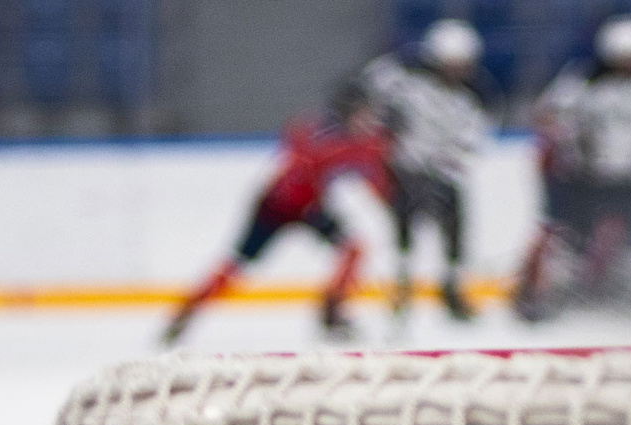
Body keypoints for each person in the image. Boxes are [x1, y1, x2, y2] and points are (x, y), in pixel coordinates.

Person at [162, 87, 390, 345]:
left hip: (311, 206)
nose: (366, 120)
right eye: (361, 114)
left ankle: (333, 310)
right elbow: (302, 152)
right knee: (237, 265)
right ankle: (188, 311)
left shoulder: (359, 141)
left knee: (353, 249)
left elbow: (373, 176)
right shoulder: (317, 132)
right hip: (276, 206)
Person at [515, 15, 631, 314]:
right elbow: (548, 116)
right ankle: (537, 295)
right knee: (563, 238)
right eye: (627, 57)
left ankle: (613, 293)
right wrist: (573, 143)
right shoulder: (583, 83)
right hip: (584, 178)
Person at [358, 17, 497, 322]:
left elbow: (475, 133)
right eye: (451, 62)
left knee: (455, 232)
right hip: (405, 168)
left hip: (445, 172)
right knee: (404, 231)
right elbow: (369, 89)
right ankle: (401, 286)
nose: (457, 69)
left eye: (462, 63)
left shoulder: (474, 94)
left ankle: (452, 288)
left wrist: (457, 155)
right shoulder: (406, 80)